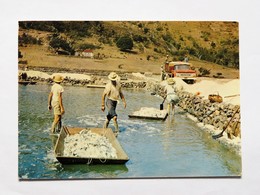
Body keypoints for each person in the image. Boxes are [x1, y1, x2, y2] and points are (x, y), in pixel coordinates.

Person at [101, 72, 126, 137]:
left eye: (114, 80)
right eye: (112, 80)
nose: (113, 81)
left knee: (109, 116)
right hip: (109, 101)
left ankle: (104, 128)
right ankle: (117, 131)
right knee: (114, 117)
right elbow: (103, 95)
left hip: (115, 102)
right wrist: (103, 105)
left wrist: (124, 101)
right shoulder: (108, 86)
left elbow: (121, 93)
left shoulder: (118, 84)